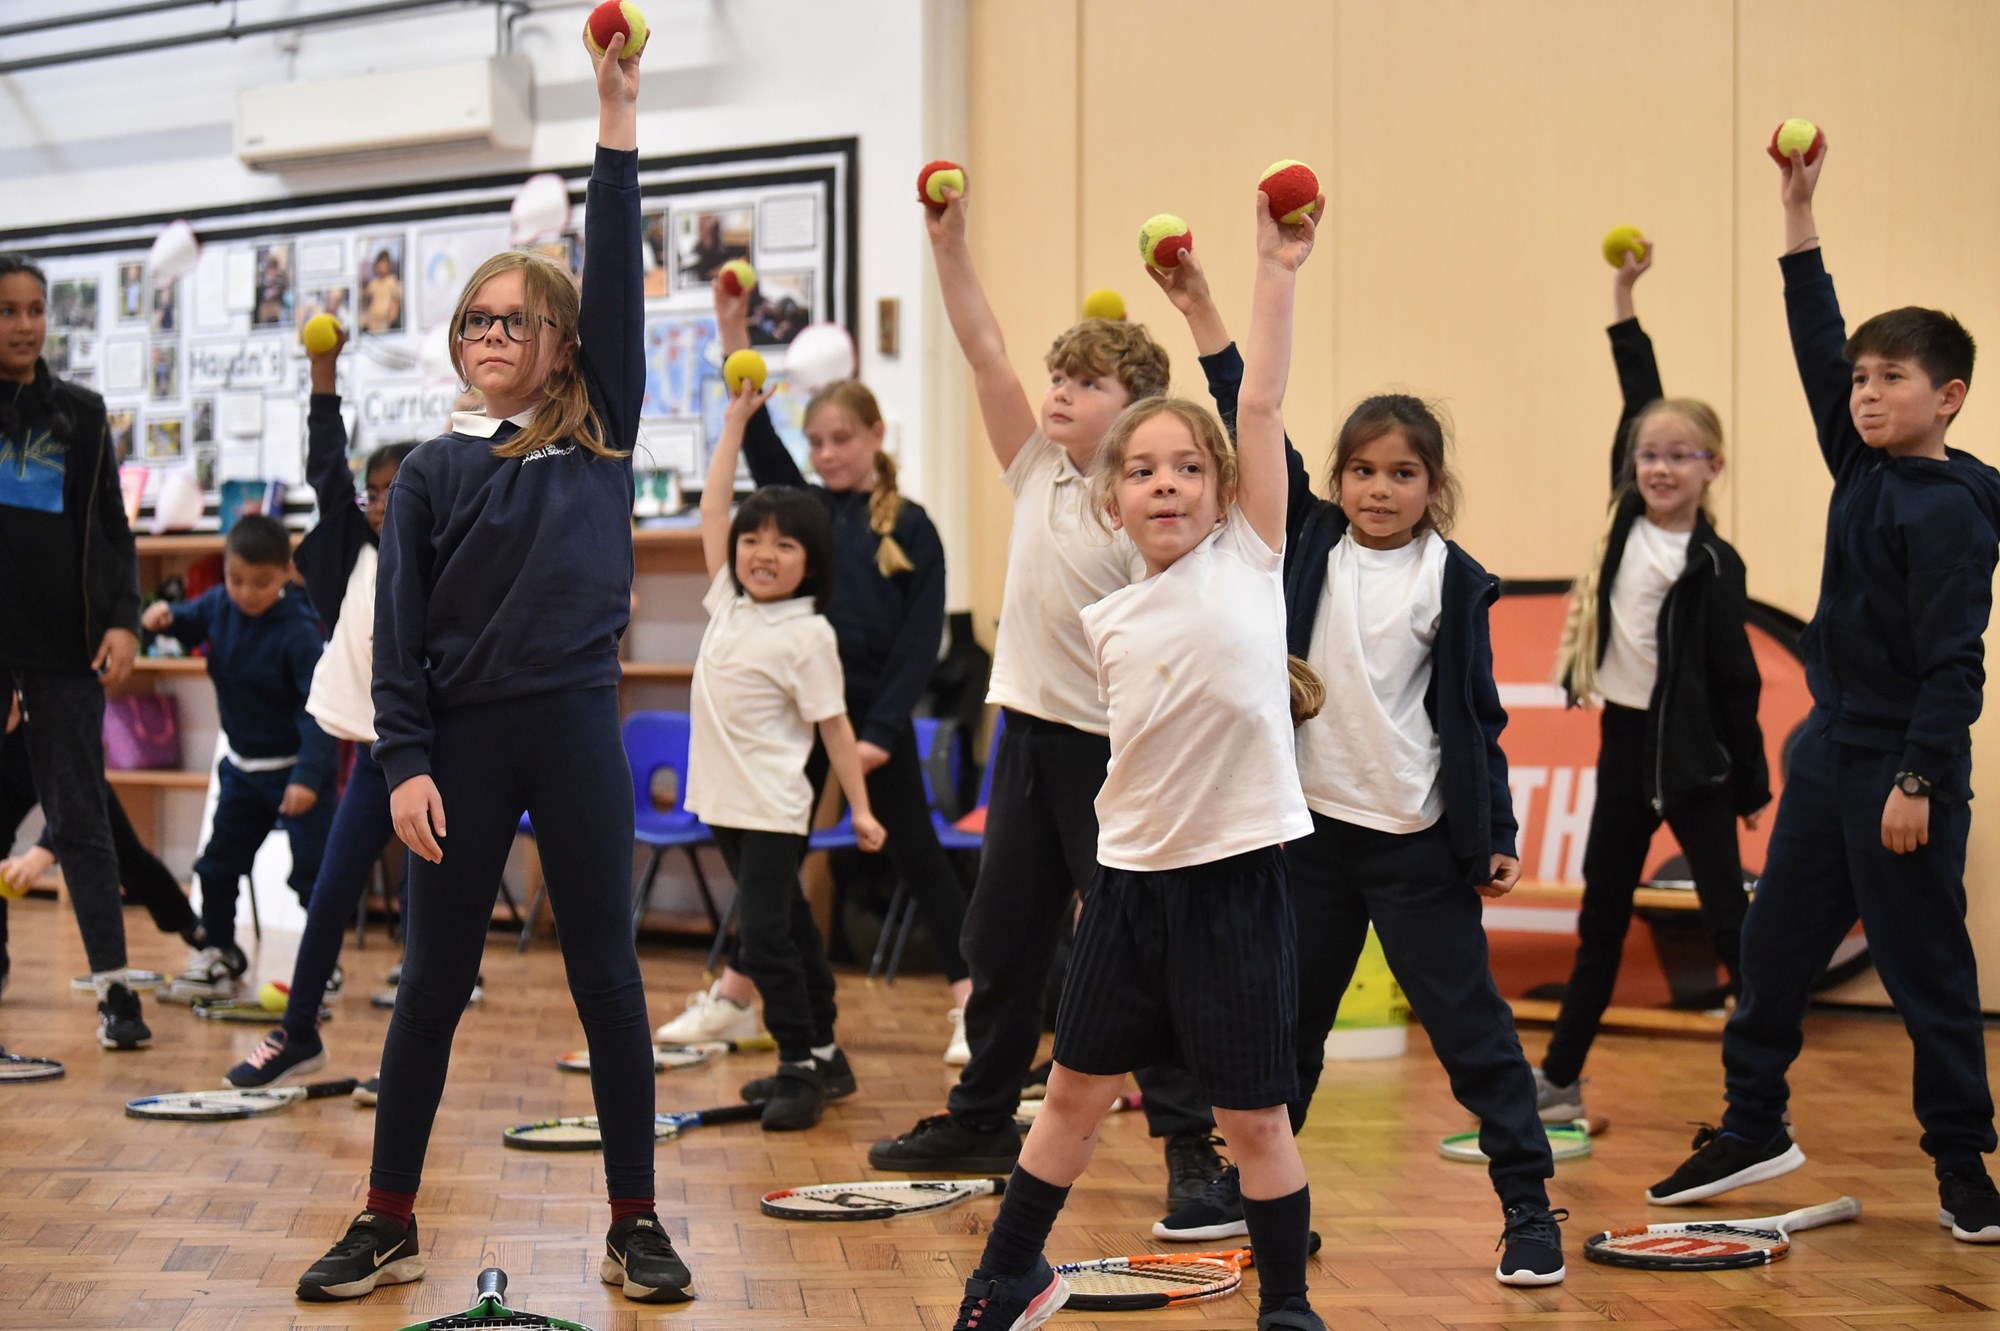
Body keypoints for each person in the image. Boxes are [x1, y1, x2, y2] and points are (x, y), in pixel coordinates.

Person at [295, 31, 685, 1305]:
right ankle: (386, 1214)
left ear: (563, 347)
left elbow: (613, 271)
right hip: (455, 746)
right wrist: (403, 763)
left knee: (607, 981)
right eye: (476, 318)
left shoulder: (599, 438)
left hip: (572, 728)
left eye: (518, 320)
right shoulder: (430, 474)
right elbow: (396, 639)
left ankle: (636, 1219)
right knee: (430, 988)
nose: (491, 333)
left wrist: (613, 111)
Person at [1142, 247, 1566, 1285]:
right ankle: (1273, 1218)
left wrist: (1494, 833)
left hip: (1414, 845)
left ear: (1433, 486)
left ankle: (1526, 1207)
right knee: (1283, 1039)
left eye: (1403, 473)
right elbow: (1246, 399)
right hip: (1308, 841)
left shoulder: (1453, 581)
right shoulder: (1306, 545)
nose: (1380, 488)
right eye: (1363, 471)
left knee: (1473, 1036)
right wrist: (1199, 301)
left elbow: (1474, 722)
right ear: (1333, 480)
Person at [950, 188, 1326, 1331]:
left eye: (1185, 469)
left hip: (1237, 884)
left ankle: (1287, 1307)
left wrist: (1269, 269)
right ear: (1109, 502)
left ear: (1220, 494)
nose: (1164, 483)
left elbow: (1254, 400)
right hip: (1125, 887)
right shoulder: (1107, 613)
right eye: (1142, 472)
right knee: (1067, 1093)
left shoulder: (1249, 563)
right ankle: (1005, 1272)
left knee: (1254, 1118)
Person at [1649, 133, 2000, 1245]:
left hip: (1902, 767)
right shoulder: (1858, 463)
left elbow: (1955, 664)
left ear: (1945, 397)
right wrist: (1797, 216)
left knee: (1925, 971)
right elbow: (1813, 340)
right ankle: (1752, 1119)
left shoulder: (1945, 514)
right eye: (1860, 378)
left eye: (1889, 378)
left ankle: (1963, 1169)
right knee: (1772, 948)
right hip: (1827, 752)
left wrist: (1915, 778)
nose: (1862, 392)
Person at [866, 169, 1224, 1213]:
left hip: (1117, 756)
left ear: (1137, 413)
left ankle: (1191, 1147)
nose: (1058, 392)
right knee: (1000, 939)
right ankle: (983, 1114)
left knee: (1137, 949)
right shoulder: (1036, 469)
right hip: (1025, 735)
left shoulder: (1144, 507)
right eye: (1056, 377)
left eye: (1085, 383)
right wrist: (946, 243)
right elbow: (981, 347)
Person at [662, 274, 971, 1069]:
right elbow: (751, 430)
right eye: (819, 442)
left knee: (916, 852)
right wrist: (734, 334)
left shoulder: (912, 525)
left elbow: (918, 643)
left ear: (874, 435)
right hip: (794, 707)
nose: (829, 453)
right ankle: (737, 996)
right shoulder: (799, 508)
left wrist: (876, 735)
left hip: (866, 718)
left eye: (843, 439)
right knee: (768, 859)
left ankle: (974, 998)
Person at [1536, 238, 1770, 1121]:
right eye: (1650, 455)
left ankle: (1761, 1091)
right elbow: (1640, 397)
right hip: (1626, 743)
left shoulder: (1714, 560)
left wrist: (1750, 780)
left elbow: (1737, 679)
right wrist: (1625, 302)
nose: (1661, 466)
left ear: (1713, 468)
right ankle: (1559, 1080)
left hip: (1697, 760)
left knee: (1726, 923)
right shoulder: (1624, 521)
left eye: (1683, 455)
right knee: (1601, 918)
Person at [684, 379, 885, 1131]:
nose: (763, 553)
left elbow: (835, 729)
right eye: (753, 539)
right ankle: (827, 1054)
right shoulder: (728, 604)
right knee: (792, 926)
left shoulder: (808, 633)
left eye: (785, 543)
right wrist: (734, 422)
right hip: (723, 801)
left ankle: (795, 1061)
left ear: (813, 562)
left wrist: (860, 809)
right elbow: (712, 506)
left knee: (763, 937)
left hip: (772, 807)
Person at [220, 326, 413, 1093]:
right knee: (332, 891)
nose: (381, 504)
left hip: (436, 761)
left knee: (424, 917)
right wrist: (324, 372)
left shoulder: (448, 564)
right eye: (377, 492)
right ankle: (298, 1032)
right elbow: (325, 465)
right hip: (374, 756)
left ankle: (406, 1062)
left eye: (401, 491)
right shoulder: (349, 554)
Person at [0, 253, 148, 1048]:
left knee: (81, 819)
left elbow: (114, 532)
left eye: (33, 310)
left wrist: (123, 619)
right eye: (7, 311)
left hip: (65, 647)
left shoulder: (84, 416)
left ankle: (116, 994)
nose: (23, 325)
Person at [145, 513, 335, 1002]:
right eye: (236, 580)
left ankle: (322, 960)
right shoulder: (219, 605)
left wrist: (308, 777)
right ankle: (222, 952)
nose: (246, 592)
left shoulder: (298, 630)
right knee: (216, 866)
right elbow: (188, 618)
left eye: (261, 583)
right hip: (243, 771)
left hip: (296, 771)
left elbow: (317, 709)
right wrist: (163, 616)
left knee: (314, 871)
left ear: (286, 574)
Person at [361, 251, 402, 334]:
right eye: (379, 264)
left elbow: (396, 303)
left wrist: (389, 321)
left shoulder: (392, 281)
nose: (381, 267)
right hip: (371, 324)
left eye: (384, 264)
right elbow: (365, 297)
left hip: (385, 326)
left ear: (389, 266)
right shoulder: (374, 283)